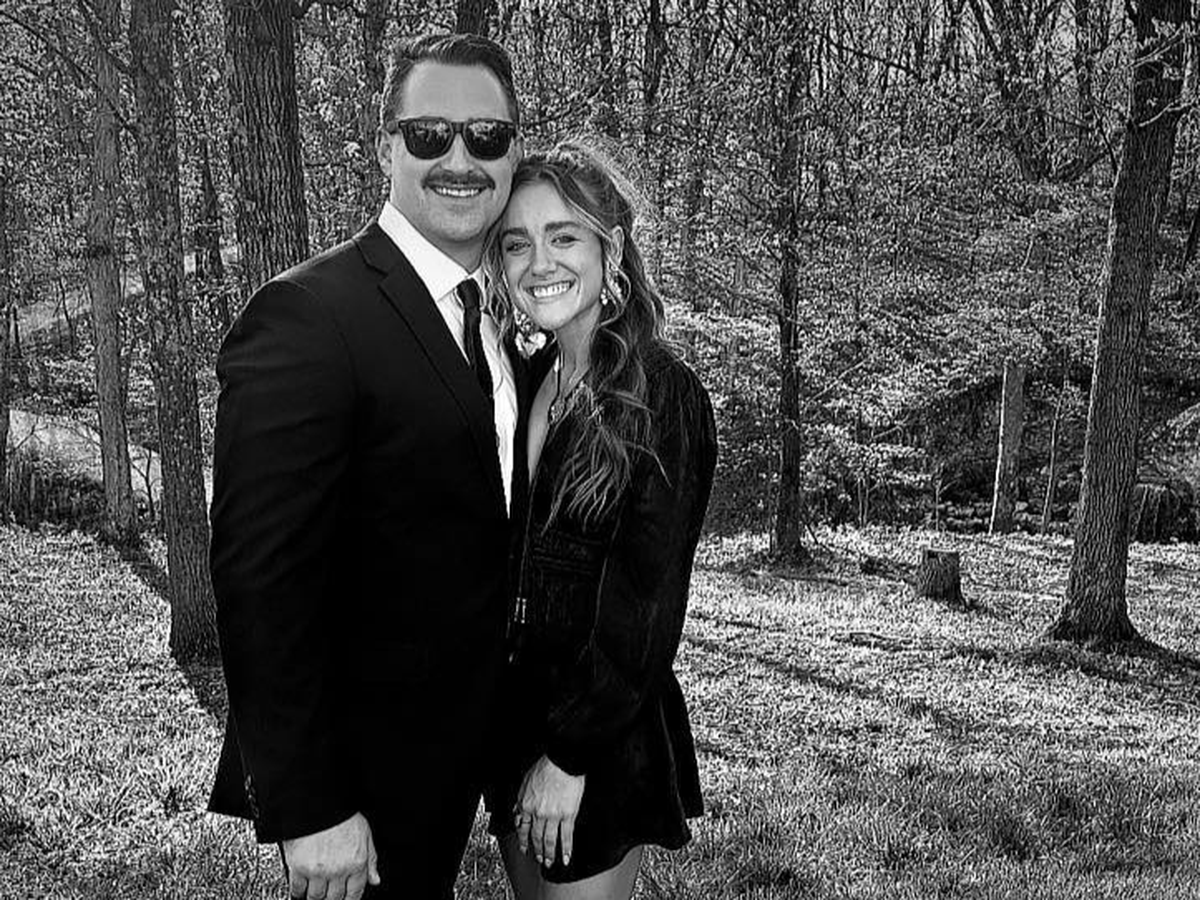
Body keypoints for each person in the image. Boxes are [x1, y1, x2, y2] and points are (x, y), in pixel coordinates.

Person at [207, 33, 526, 900]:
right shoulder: (307, 314)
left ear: (512, 153)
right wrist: (309, 803)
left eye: (486, 137)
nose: (459, 159)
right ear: (386, 148)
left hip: (464, 756)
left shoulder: (499, 317)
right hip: (358, 779)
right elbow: (259, 578)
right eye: (429, 135)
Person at [482, 141, 717, 899]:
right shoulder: (526, 379)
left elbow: (646, 605)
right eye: (516, 243)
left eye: (563, 236)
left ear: (609, 248)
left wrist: (569, 757)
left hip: (597, 740)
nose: (539, 262)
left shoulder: (662, 393)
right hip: (516, 723)